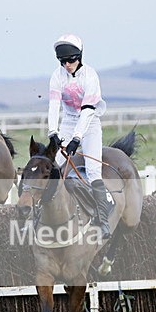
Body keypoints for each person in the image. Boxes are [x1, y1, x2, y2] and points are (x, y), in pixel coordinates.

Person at [47, 33, 112, 239]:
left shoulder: (91, 76)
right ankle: (42, 214)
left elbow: (86, 109)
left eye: (71, 60)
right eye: (63, 61)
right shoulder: (57, 76)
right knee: (53, 166)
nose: (67, 65)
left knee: (94, 172)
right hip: (67, 121)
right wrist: (53, 133)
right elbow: (53, 105)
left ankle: (103, 222)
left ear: (80, 56)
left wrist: (77, 138)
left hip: (90, 122)